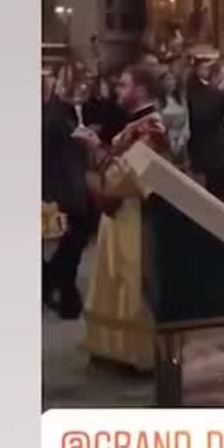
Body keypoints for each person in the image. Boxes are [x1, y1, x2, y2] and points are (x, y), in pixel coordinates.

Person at [78, 63, 171, 370]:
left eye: (124, 85)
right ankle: (112, 348)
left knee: (131, 278)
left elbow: (126, 176)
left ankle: (137, 352)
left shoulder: (152, 130)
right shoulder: (135, 125)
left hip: (135, 215)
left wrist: (96, 149)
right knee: (113, 276)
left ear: (140, 90)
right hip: (118, 215)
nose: (118, 90)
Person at [44, 68, 98, 318]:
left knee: (76, 238)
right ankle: (59, 287)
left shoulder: (64, 110)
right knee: (74, 237)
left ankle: (54, 282)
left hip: (73, 181)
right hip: (59, 185)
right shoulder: (52, 113)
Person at [188, 62, 224, 212]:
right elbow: (203, 118)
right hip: (215, 157)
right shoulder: (203, 94)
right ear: (215, 78)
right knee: (216, 201)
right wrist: (222, 95)